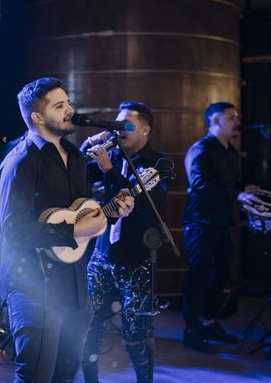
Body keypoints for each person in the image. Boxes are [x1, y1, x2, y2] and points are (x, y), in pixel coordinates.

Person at [0, 77, 135, 383]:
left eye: (68, 102)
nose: (70, 110)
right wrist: (72, 232)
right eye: (59, 106)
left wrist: (111, 214)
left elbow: (81, 216)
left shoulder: (74, 157)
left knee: (64, 374)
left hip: (73, 286)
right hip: (34, 285)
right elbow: (14, 230)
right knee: (36, 376)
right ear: (37, 117)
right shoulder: (20, 162)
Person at [79, 102, 169, 383]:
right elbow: (75, 174)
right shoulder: (111, 156)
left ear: (145, 130)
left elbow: (142, 201)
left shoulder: (158, 164)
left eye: (127, 124)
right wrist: (87, 147)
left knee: (135, 334)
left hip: (137, 260)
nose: (120, 129)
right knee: (89, 327)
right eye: (117, 123)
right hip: (101, 255)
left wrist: (109, 171)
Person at [182, 101, 263, 353]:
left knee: (220, 274)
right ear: (215, 121)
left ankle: (209, 321)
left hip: (221, 223)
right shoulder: (201, 150)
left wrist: (243, 190)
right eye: (231, 118)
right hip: (200, 223)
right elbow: (199, 187)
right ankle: (192, 330)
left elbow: (230, 184)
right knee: (198, 275)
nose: (236, 122)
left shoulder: (231, 152)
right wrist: (235, 195)